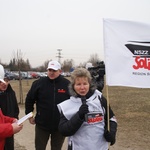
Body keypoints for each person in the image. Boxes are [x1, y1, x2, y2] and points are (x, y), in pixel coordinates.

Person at [57, 68, 117, 150]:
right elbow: (64, 131)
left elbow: (112, 119)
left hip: (101, 147)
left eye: (85, 84)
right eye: (78, 84)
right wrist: (79, 116)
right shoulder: (67, 105)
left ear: (90, 84)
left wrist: (112, 133)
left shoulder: (100, 99)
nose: (82, 88)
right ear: (73, 86)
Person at [25, 60, 70, 150]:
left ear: (60, 71)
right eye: (50, 70)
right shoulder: (38, 83)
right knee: (39, 148)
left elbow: (73, 102)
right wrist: (29, 115)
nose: (51, 73)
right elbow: (29, 99)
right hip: (42, 125)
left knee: (56, 148)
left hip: (59, 126)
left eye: (54, 71)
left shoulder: (67, 84)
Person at [0, 64, 23, 150]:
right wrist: (10, 128)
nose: (4, 83)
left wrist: (13, 120)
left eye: (7, 80)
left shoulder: (11, 93)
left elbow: (14, 110)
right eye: (2, 81)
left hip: (8, 132)